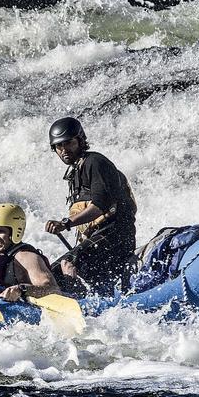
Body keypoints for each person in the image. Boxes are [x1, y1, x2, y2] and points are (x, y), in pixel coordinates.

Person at [44, 117, 138, 295]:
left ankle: (71, 298)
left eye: (68, 143)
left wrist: (65, 223)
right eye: (58, 146)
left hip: (116, 237)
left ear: (80, 140)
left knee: (58, 270)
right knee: (55, 269)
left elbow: (99, 206)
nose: (63, 150)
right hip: (100, 240)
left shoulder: (94, 162)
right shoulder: (75, 173)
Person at [0, 203, 60, 302]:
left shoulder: (26, 257)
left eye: (0, 231)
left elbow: (53, 290)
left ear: (16, 231)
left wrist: (21, 290)